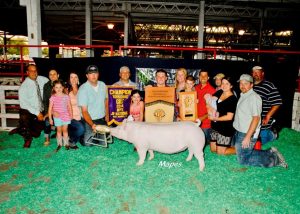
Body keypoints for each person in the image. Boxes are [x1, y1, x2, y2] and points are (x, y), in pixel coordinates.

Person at [232, 74, 287, 168]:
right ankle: (270, 152)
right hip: (241, 131)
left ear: (251, 85)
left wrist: (248, 136)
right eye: (241, 83)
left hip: (247, 132)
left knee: (243, 160)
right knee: (242, 153)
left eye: (246, 83)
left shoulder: (253, 98)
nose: (242, 85)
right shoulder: (244, 94)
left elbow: (256, 118)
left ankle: (275, 158)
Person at [9, 64, 49, 148]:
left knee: (36, 134)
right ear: (27, 72)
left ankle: (20, 129)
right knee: (23, 115)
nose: (34, 73)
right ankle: (27, 138)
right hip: (30, 111)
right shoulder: (24, 87)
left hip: (41, 109)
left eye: (35, 71)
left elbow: (53, 82)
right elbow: (23, 104)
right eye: (31, 71)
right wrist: (37, 113)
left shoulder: (43, 79)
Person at [78, 65, 108, 146]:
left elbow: (106, 101)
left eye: (95, 73)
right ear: (87, 76)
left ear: (98, 74)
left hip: (101, 119)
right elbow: (84, 111)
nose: (93, 75)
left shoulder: (103, 85)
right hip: (89, 120)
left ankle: (97, 134)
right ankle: (81, 136)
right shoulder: (83, 89)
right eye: (91, 73)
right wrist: (92, 125)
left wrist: (107, 116)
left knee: (103, 143)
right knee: (88, 144)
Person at [252, 66, 282, 144]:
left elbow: (277, 102)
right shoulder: (249, 85)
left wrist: (268, 115)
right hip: (251, 121)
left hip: (263, 123)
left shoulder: (269, 86)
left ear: (262, 73)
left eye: (257, 72)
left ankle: (272, 134)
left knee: (261, 144)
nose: (255, 74)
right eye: (254, 72)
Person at [209, 76, 237, 155]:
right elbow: (210, 101)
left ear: (231, 86)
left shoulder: (233, 99)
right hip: (215, 126)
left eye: (227, 84)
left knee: (220, 153)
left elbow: (229, 117)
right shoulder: (219, 92)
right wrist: (211, 109)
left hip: (225, 128)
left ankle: (241, 150)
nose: (224, 86)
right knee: (213, 149)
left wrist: (215, 118)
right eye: (223, 83)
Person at [48, 80, 72, 152]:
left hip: (66, 116)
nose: (58, 89)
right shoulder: (53, 97)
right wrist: (50, 118)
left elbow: (69, 106)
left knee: (65, 130)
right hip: (57, 117)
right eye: (56, 87)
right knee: (59, 131)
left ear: (63, 88)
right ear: (54, 88)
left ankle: (66, 143)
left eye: (60, 87)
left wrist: (71, 114)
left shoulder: (66, 96)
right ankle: (59, 144)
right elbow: (50, 109)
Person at [195, 70, 216, 144]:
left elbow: (214, 110)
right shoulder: (195, 88)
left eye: (205, 76)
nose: (203, 77)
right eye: (201, 75)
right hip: (195, 122)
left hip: (205, 124)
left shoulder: (212, 90)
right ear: (199, 77)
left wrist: (202, 118)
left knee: (205, 145)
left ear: (208, 77)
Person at [67, 72, 85, 149]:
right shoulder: (65, 90)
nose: (73, 79)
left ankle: (71, 134)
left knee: (86, 137)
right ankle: (71, 141)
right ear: (69, 79)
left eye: (75, 77)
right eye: (71, 77)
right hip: (70, 117)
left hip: (82, 116)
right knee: (81, 129)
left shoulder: (82, 89)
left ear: (78, 79)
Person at [43, 69, 60, 146]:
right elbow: (45, 101)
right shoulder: (46, 86)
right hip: (50, 110)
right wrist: (47, 113)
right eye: (50, 74)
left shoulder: (62, 84)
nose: (52, 76)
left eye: (54, 74)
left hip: (61, 110)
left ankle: (59, 134)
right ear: (49, 76)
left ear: (58, 75)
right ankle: (47, 138)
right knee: (46, 121)